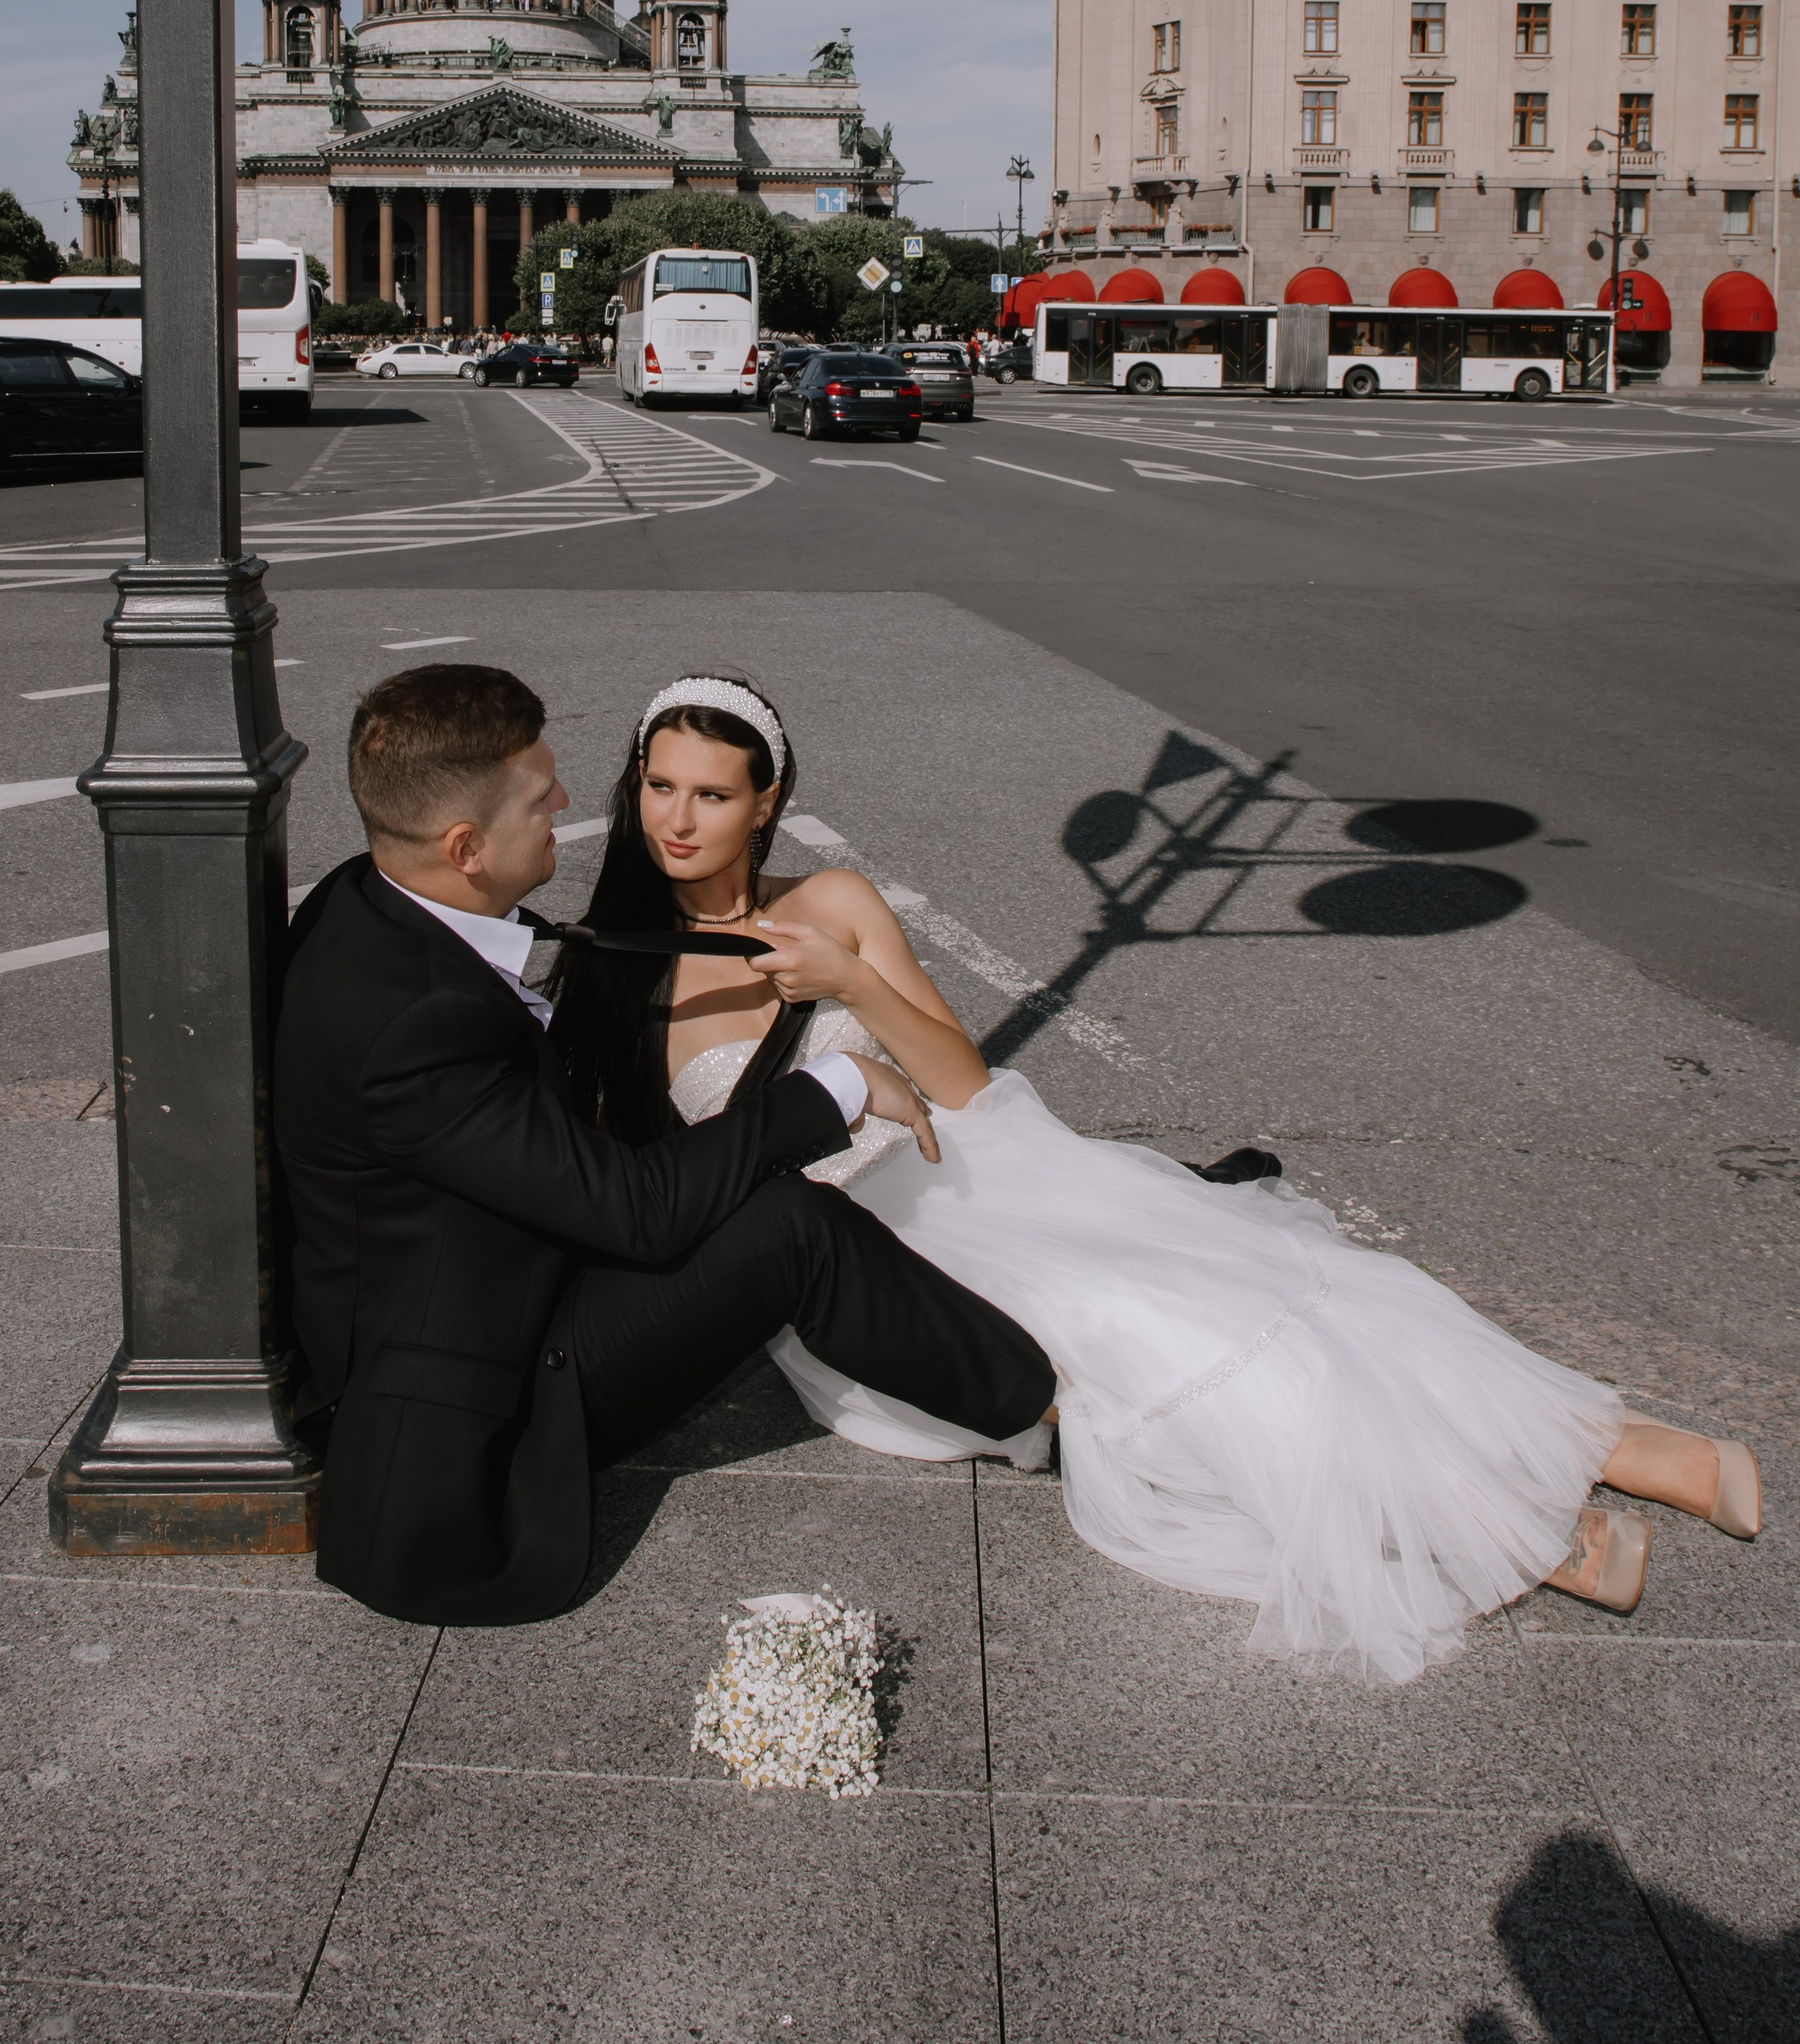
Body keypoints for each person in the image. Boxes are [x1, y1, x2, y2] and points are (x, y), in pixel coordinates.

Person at [556, 674, 1765, 1686]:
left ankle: (1606, 1442)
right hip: (850, 1262)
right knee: (1127, 1345)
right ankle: (1523, 1529)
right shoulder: (619, 969)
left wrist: (851, 984)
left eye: (712, 794)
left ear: (768, 804)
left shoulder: (831, 903)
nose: (679, 818)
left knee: (1233, 1286)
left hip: (980, 1169)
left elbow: (962, 1079)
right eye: (661, 787)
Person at [273, 664, 1055, 1626]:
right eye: (537, 795)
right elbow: (636, 1212)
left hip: (504, 1280)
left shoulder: (367, 897)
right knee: (795, 1224)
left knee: (787, 1217)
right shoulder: (416, 1024)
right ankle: (1048, 1415)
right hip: (493, 1395)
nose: (568, 799)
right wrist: (840, 1085)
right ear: (465, 847)